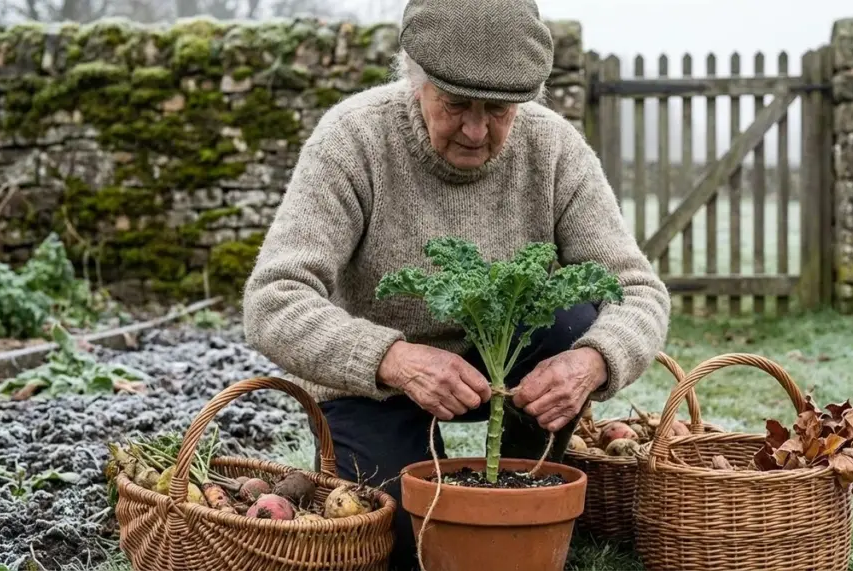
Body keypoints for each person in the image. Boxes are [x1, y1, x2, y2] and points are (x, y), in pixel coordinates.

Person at [241, 0, 671, 568]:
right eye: (456, 104)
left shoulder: (555, 149)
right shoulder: (352, 139)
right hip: (377, 383)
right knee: (398, 534)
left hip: (510, 372)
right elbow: (272, 298)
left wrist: (593, 361)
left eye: (497, 110)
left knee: (573, 323)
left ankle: (524, 480)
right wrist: (391, 357)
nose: (475, 129)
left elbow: (639, 290)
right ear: (416, 80)